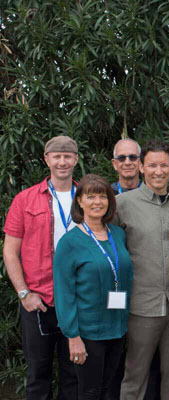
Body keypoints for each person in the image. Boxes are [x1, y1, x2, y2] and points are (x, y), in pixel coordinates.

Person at [3, 135, 79, 400]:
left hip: (77, 299)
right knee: (38, 375)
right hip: (39, 300)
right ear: (47, 159)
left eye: (67, 156)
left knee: (74, 375)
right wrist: (24, 293)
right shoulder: (25, 199)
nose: (62, 162)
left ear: (76, 159)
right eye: (56, 156)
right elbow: (10, 251)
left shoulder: (88, 197)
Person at [113, 141, 169, 400]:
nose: (159, 171)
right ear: (141, 167)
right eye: (152, 165)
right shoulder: (121, 205)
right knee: (135, 376)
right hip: (140, 307)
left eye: (164, 165)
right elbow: (109, 254)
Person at [53, 174, 133, 399]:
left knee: (109, 389)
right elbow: (64, 292)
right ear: (79, 201)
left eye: (103, 196)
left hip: (117, 327)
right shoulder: (69, 242)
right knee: (90, 392)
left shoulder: (118, 234)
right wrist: (72, 337)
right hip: (88, 333)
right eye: (91, 196)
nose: (98, 202)